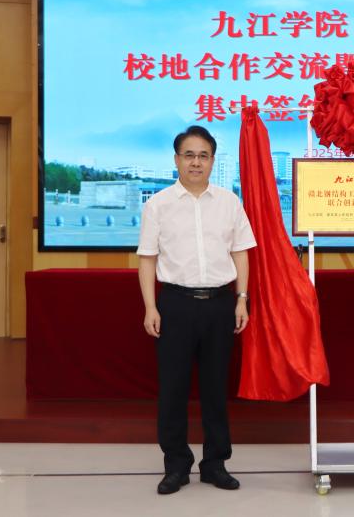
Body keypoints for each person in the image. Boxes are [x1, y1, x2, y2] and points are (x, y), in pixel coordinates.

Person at [137, 125, 256, 495]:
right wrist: (150, 307)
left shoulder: (229, 202)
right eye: (189, 155)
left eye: (203, 155)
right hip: (174, 305)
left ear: (212, 161)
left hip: (220, 304)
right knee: (173, 389)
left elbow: (241, 253)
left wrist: (241, 298)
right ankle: (176, 465)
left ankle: (215, 464)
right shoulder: (158, 205)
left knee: (215, 388)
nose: (196, 162)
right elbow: (147, 258)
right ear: (176, 160)